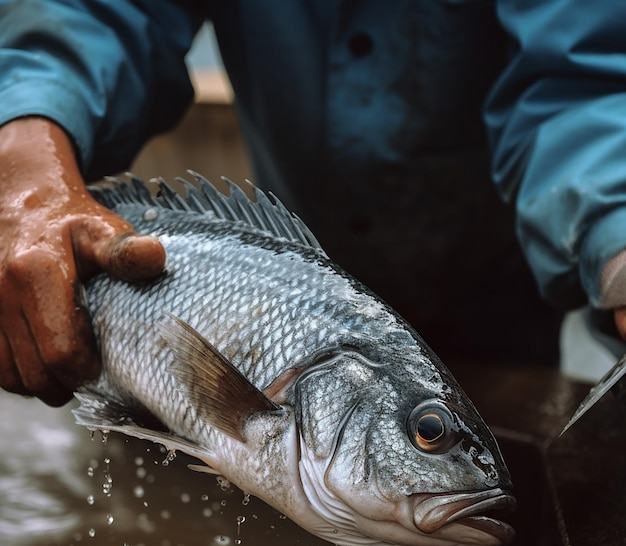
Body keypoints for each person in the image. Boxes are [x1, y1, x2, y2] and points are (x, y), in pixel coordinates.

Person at [0, 0, 624, 407]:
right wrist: (26, 156)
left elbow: (582, 73)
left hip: (498, 316)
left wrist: (617, 232)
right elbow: (99, 11)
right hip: (253, 296)